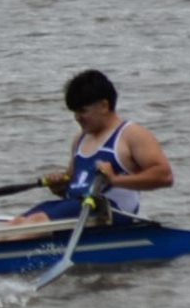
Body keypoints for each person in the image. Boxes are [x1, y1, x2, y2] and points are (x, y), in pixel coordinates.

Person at [11, 69, 173, 226]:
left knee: (37, 221)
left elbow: (164, 176)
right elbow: (75, 185)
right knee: (18, 222)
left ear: (104, 105)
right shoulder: (79, 139)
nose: (77, 118)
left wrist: (115, 180)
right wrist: (59, 187)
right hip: (80, 208)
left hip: (109, 212)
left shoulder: (132, 134)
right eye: (74, 112)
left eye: (82, 111)